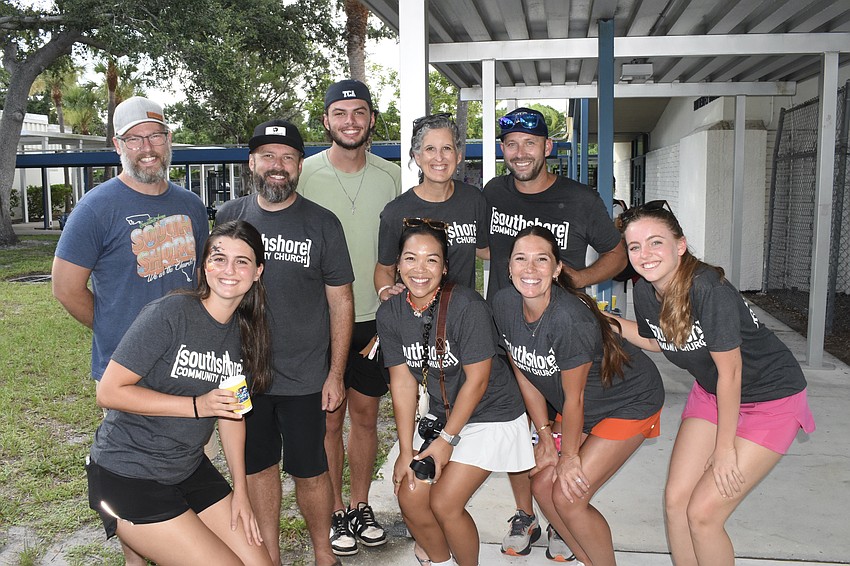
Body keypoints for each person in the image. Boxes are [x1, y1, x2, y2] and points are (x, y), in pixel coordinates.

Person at [52, 95, 209, 566]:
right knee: (133, 475)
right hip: (128, 374)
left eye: (155, 135)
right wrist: (120, 334)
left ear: (168, 141)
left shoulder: (191, 205)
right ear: (118, 145)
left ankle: (174, 534)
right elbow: (66, 287)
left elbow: (201, 280)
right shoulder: (97, 207)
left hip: (185, 368)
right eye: (135, 138)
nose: (147, 147)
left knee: (181, 460)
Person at [616, 202, 815, 566]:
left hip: (771, 398)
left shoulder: (709, 288)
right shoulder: (645, 292)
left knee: (703, 515)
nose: (644, 254)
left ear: (680, 245)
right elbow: (657, 340)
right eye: (634, 246)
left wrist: (724, 451)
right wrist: (602, 319)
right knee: (676, 502)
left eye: (655, 242)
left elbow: (732, 372)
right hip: (713, 394)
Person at [483, 107, 628, 556]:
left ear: (548, 148)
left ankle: (562, 518)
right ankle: (525, 515)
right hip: (508, 327)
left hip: (559, 333)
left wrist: (577, 280)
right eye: (511, 144)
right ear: (502, 150)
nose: (520, 152)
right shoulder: (491, 193)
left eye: (531, 143)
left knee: (565, 421)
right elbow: (482, 248)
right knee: (518, 425)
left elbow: (617, 254)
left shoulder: (581, 200)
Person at [87, 220, 272, 565]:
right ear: (204, 266)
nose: (229, 270)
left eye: (242, 261)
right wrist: (196, 405)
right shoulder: (170, 314)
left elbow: (232, 416)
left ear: (258, 271)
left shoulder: (245, 334)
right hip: (129, 473)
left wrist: (241, 495)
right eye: (218, 258)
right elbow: (109, 391)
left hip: (186, 468)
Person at [215, 119, 354, 566]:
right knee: (257, 468)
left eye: (288, 157)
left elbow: (341, 303)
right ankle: (269, 557)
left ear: (299, 166)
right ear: (252, 162)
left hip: (306, 376)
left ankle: (322, 554)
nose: (278, 166)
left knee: (311, 471)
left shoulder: (322, 222)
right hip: (241, 375)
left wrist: (335, 373)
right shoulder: (228, 218)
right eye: (269, 156)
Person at [491, 225, 665, 566]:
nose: (530, 269)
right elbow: (523, 371)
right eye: (520, 259)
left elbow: (576, 399)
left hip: (627, 401)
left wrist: (568, 456)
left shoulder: (568, 319)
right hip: (583, 403)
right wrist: (544, 436)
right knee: (542, 485)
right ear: (508, 266)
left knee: (569, 497)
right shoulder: (503, 303)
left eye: (541, 260)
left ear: (557, 269)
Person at [376, 221, 534, 566]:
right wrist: (406, 451)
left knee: (445, 503)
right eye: (410, 259)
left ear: (445, 267)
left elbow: (478, 380)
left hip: (493, 413)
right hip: (450, 414)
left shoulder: (466, 305)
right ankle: (440, 560)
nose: (420, 270)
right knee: (412, 494)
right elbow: (402, 382)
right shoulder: (390, 312)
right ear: (398, 265)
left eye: (431, 260)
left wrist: (446, 440)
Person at [298, 79, 401, 556]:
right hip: (320, 318)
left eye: (359, 112)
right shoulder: (304, 173)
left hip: (376, 316)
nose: (350, 122)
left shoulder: (392, 175)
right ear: (326, 121)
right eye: (340, 113)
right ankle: (336, 510)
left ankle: (361, 506)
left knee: (364, 416)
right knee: (328, 420)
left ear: (372, 119)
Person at [375, 112, 488, 296]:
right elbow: (384, 268)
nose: (439, 158)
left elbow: (486, 250)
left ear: (458, 156)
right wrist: (386, 292)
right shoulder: (396, 212)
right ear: (417, 157)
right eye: (430, 149)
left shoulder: (473, 200)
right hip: (415, 315)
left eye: (446, 148)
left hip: (462, 315)